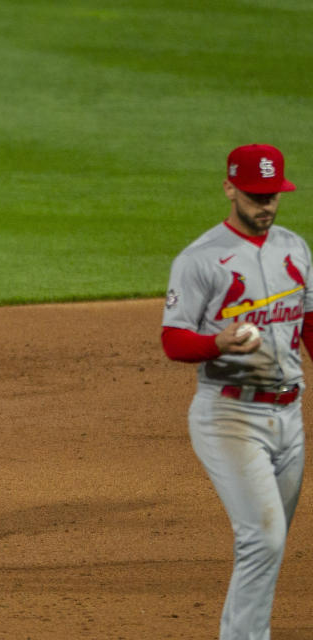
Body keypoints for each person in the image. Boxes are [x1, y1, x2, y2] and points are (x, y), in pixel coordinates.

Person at [161, 143, 309, 639]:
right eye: (254, 195)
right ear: (229, 189)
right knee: (262, 539)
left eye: (272, 195)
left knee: (269, 542)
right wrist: (215, 342)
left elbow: (308, 324)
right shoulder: (201, 259)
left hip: (290, 418)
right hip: (229, 417)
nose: (264, 205)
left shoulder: (296, 247)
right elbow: (173, 339)